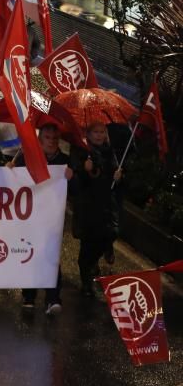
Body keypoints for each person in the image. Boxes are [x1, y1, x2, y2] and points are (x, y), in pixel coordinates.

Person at [9, 125, 71, 315]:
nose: (52, 140)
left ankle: (53, 299)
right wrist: (9, 169)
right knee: (30, 252)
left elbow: (76, 191)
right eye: (47, 137)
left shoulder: (65, 162)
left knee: (51, 255)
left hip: (52, 217)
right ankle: (29, 296)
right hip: (30, 216)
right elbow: (12, 182)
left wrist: (72, 177)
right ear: (40, 139)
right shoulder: (25, 157)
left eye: (54, 137)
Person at [70, 123, 122, 299]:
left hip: (107, 206)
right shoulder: (81, 151)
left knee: (110, 234)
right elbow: (76, 182)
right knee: (88, 245)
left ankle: (95, 261)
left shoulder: (109, 152)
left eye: (102, 132)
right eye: (95, 132)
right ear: (88, 134)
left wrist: (118, 176)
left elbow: (115, 176)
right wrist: (84, 171)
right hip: (88, 207)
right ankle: (86, 282)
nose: (99, 135)